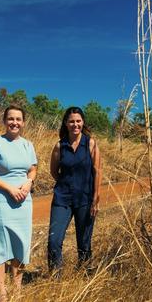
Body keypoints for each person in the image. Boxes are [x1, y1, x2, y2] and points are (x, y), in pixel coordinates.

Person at [0, 105, 37, 301]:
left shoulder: (28, 145)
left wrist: (29, 182)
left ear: (23, 122)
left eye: (18, 119)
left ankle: (18, 290)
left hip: (23, 203)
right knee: (0, 246)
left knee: (21, 245)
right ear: (5, 121)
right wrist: (10, 188)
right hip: (1, 202)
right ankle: (3, 293)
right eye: (11, 119)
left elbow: (32, 169)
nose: (15, 122)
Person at [47, 106, 102, 273]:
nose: (75, 124)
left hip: (85, 199)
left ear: (83, 122)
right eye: (71, 121)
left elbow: (97, 171)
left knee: (84, 242)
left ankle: (85, 274)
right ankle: (55, 277)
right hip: (62, 198)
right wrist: (66, 183)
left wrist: (95, 198)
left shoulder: (90, 144)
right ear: (66, 123)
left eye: (78, 121)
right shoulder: (59, 146)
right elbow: (54, 171)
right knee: (54, 240)